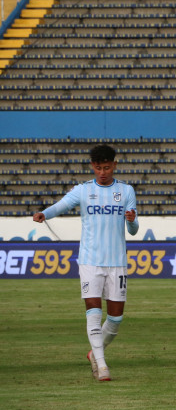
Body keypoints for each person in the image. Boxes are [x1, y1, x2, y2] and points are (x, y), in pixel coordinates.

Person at [33, 144, 138, 381]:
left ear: (115, 165)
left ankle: (94, 353)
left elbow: (133, 229)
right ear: (92, 166)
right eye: (98, 168)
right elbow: (62, 205)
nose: (103, 172)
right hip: (90, 261)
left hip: (117, 262)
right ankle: (101, 366)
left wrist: (131, 220)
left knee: (115, 320)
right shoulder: (83, 190)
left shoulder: (126, 191)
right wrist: (44, 213)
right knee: (93, 312)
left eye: (107, 167)